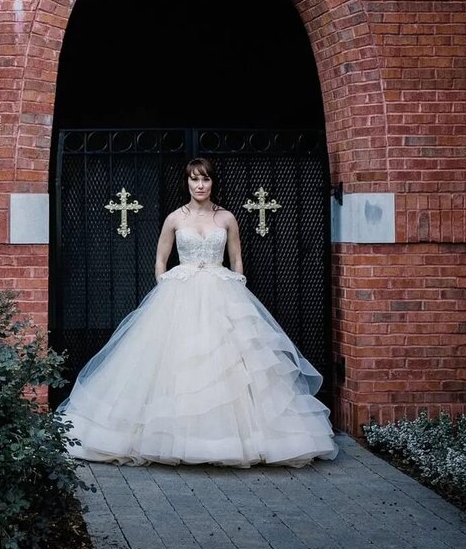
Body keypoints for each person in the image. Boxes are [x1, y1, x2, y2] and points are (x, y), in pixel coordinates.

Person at [58, 157, 338, 467]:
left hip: (221, 290)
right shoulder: (175, 219)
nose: (200, 185)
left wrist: (237, 283)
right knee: (176, 360)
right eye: (194, 179)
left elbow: (237, 258)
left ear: (212, 182)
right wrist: (167, 285)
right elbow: (160, 259)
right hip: (181, 291)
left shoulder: (227, 218)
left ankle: (238, 440)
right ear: (187, 183)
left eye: (204, 179)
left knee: (229, 362)